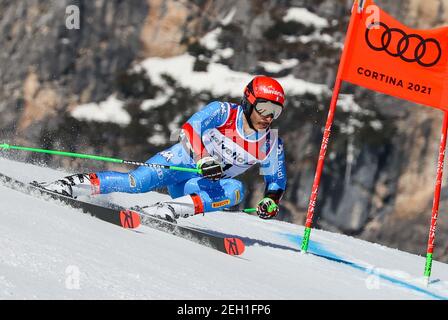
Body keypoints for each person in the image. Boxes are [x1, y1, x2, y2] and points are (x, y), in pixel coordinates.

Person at [39, 76, 287, 222]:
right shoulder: (223, 112)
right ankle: (70, 185)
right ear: (249, 102)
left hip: (200, 187)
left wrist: (270, 201)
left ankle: (168, 210)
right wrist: (201, 158)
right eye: (264, 108)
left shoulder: (270, 143)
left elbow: (276, 181)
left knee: (236, 190)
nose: (268, 117)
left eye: (276, 112)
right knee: (135, 183)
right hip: (181, 162)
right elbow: (189, 130)